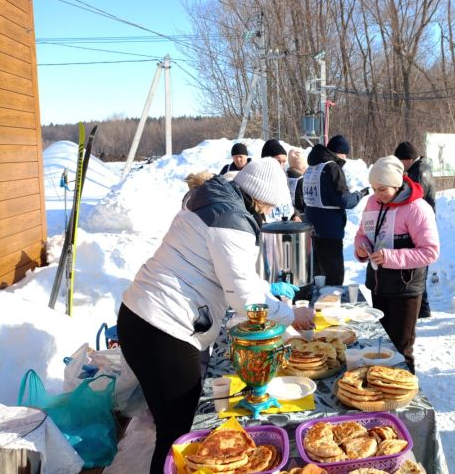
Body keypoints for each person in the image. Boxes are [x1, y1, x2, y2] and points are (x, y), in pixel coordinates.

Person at [117, 158, 314, 473]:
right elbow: (247, 300)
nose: (265, 215)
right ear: (258, 197)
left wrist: (269, 291)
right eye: (266, 208)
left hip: (144, 318)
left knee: (173, 427)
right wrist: (290, 315)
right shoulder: (229, 219)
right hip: (162, 328)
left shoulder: (217, 203)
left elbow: (241, 277)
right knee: (176, 435)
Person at [354, 155, 439, 373]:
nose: (377, 195)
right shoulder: (373, 203)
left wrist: (391, 257)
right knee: (381, 345)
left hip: (405, 289)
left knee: (401, 349)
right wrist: (361, 246)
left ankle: (406, 398)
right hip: (378, 284)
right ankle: (382, 394)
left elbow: (430, 252)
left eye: (382, 189)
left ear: (397, 184)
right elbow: (362, 234)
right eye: (373, 189)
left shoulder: (417, 208)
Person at [304, 134, 369, 286]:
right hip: (330, 232)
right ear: (339, 152)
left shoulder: (311, 167)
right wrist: (360, 194)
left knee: (318, 278)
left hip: (311, 230)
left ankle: (316, 307)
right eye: (344, 154)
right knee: (333, 278)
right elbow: (345, 200)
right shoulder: (332, 167)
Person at [394, 141, 436, 318]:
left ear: (408, 159)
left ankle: (422, 308)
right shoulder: (419, 168)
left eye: (400, 162)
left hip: (420, 225)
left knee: (418, 269)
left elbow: (413, 197)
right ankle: (422, 307)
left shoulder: (419, 172)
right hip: (420, 223)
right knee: (418, 269)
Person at [287, 148, 308, 217]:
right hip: (300, 217)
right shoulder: (302, 181)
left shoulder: (284, 177)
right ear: (302, 167)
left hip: (288, 213)